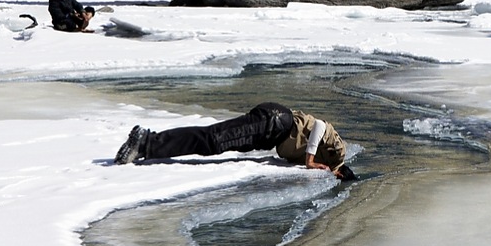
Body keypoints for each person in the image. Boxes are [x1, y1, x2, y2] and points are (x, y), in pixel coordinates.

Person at [114, 102, 357, 180]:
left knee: (214, 142)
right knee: (212, 139)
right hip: (276, 122)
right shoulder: (338, 155)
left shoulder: (328, 164)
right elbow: (321, 126)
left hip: (269, 131)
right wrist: (311, 160)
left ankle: (148, 144)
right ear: (341, 175)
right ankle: (146, 142)